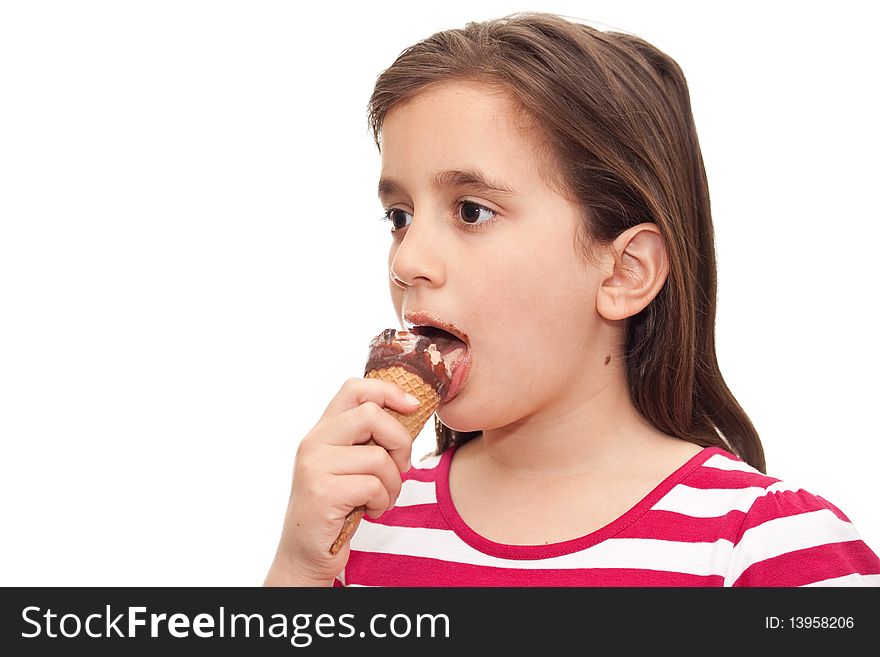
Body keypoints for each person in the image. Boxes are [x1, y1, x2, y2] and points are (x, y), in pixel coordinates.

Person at [264, 12, 880, 587]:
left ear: (624, 273)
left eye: (471, 211)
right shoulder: (366, 527)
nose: (407, 261)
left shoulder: (770, 548)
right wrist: (298, 568)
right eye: (399, 216)